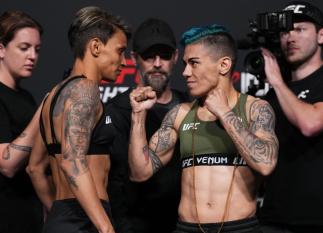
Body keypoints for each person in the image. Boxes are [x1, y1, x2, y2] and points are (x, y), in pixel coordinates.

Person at [128, 24, 278, 233]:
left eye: (194, 63)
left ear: (223, 65)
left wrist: (224, 113)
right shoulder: (180, 114)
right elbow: (139, 172)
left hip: (240, 229)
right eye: (185, 64)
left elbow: (266, 164)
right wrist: (138, 114)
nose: (185, 72)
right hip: (187, 228)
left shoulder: (255, 109)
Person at [27, 6, 130, 233]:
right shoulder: (85, 90)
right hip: (87, 222)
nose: (123, 61)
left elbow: (34, 168)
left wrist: (59, 216)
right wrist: (105, 227)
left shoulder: (52, 96)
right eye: (120, 51)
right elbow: (72, 161)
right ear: (95, 46)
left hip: (63, 219)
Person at [107, 18, 190, 233]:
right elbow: (114, 183)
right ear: (134, 58)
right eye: (148, 56)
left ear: (176, 57)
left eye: (164, 55)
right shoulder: (117, 111)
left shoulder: (191, 106)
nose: (157, 63)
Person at [259, 1, 323, 232]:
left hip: (317, 220)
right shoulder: (273, 93)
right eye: (285, 31)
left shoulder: (278, 86)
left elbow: (311, 124)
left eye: (300, 29)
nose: (290, 37)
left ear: (321, 35)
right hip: (273, 219)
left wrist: (275, 81)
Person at [0, 10, 44, 233]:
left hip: (30, 218)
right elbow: (6, 164)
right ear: (1, 49)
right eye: (24, 48)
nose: (32, 56)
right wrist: (44, 112)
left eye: (37, 49)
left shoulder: (26, 98)